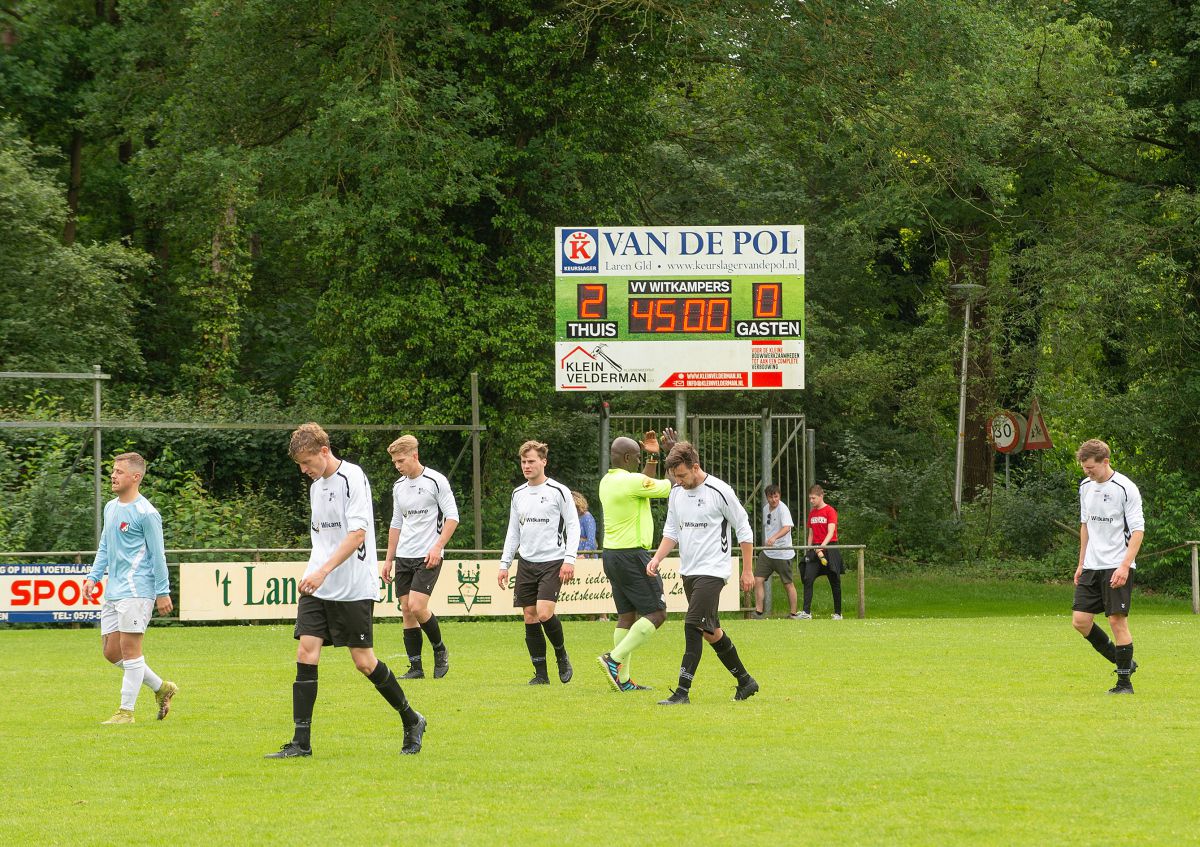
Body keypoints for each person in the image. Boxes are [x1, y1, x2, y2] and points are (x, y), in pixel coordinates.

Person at [266, 423, 425, 758]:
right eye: (299, 465)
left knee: (364, 662)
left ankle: (412, 719)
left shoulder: (352, 478)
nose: (304, 470)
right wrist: (315, 572)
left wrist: (323, 571)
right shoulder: (316, 488)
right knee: (306, 651)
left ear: (324, 451)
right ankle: (301, 743)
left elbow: (357, 535)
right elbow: (322, 540)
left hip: (352, 586)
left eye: (307, 462)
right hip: (318, 585)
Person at [647, 441, 758, 704]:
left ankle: (682, 692)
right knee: (711, 631)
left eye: (682, 475)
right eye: (675, 476)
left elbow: (744, 529)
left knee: (692, 624)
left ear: (695, 467)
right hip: (689, 571)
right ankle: (746, 681)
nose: (679, 481)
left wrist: (748, 570)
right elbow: (671, 531)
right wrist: (657, 558)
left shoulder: (720, 491)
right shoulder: (676, 492)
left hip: (713, 571)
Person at [83, 452, 178, 725]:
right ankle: (161, 687)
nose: (113, 476)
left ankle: (126, 712)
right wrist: (93, 577)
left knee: (130, 651)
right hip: (114, 590)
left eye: (119, 472)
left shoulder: (147, 514)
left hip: (137, 590)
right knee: (111, 652)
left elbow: (158, 555)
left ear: (136, 477)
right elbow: (105, 545)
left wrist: (162, 591)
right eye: (113, 471)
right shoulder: (111, 507)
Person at [597, 428, 676, 692]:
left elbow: (643, 483)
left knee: (626, 616)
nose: (641, 460)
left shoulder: (607, 481)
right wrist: (670, 454)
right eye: (639, 457)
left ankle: (623, 680)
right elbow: (671, 485)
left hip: (612, 555)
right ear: (628, 458)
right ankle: (613, 659)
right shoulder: (632, 482)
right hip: (632, 555)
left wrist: (652, 459)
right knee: (657, 613)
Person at [497, 441, 581, 685]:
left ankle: (561, 655)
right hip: (526, 562)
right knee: (530, 616)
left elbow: (573, 526)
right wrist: (504, 564)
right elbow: (513, 531)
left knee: (544, 613)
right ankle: (541, 675)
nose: (526, 466)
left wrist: (569, 559)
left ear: (543, 461)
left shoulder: (558, 491)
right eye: (523, 462)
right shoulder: (518, 494)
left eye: (531, 461)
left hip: (553, 561)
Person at [381, 434, 459, 679]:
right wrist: (388, 559)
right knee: (406, 609)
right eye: (394, 462)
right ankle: (416, 668)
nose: (397, 465)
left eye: (401, 460)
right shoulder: (398, 486)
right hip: (404, 555)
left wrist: (437, 547)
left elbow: (453, 517)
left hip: (428, 555)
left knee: (417, 606)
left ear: (415, 456)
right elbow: (396, 523)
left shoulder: (436, 481)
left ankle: (440, 649)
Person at [1071, 439, 1144, 694]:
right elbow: (1085, 526)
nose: (1087, 473)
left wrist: (1124, 566)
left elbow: (1138, 531)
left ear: (1105, 462)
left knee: (1116, 621)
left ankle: (1124, 684)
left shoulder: (1125, 488)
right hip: (1092, 565)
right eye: (1084, 468)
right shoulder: (1085, 486)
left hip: (1117, 564)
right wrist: (1081, 563)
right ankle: (1124, 662)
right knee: (1080, 621)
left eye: (1091, 468)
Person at [752, 483, 800, 619]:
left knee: (788, 583)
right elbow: (768, 527)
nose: (774, 500)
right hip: (768, 553)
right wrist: (768, 541)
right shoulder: (765, 509)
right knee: (758, 579)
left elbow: (787, 527)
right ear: (766, 497)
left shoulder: (783, 509)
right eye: (771, 497)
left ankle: (793, 613)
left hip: (783, 553)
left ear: (779, 496)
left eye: (776, 496)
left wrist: (774, 538)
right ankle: (759, 611)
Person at [800, 485, 843, 619]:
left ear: (821, 496)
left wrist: (822, 547)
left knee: (835, 581)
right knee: (807, 578)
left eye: (813, 498)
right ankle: (806, 613)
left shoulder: (830, 511)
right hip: (815, 550)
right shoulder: (812, 513)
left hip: (830, 548)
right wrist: (809, 549)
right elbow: (811, 534)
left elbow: (831, 532)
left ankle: (838, 613)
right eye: (810, 498)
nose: (811, 501)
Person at [573, 491, 598, 558]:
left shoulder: (587, 516)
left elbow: (591, 538)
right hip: (575, 553)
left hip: (585, 554)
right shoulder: (574, 518)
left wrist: (585, 554)